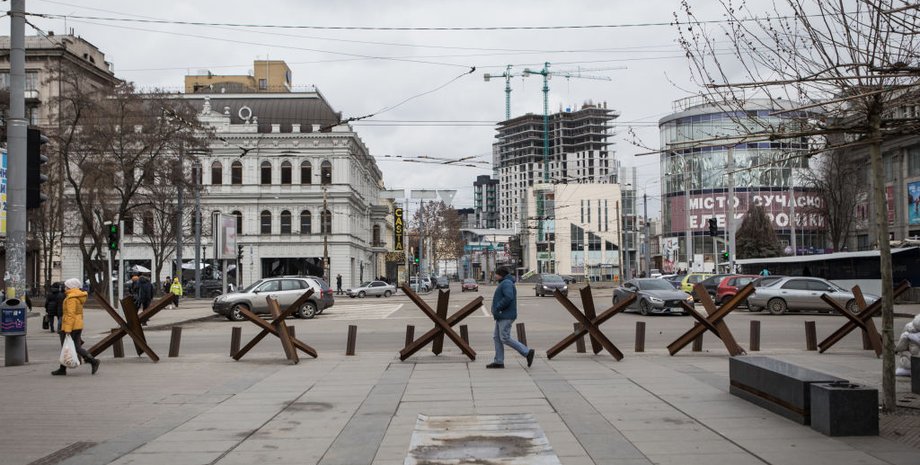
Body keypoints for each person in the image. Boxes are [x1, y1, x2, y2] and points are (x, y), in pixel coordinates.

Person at [487, 267, 535, 369]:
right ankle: (499, 361)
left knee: (504, 337)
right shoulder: (505, 282)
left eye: (496, 274)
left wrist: (498, 307)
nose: (495, 276)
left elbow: (509, 297)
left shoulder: (506, 283)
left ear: (500, 275)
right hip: (502, 315)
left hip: (505, 315)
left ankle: (527, 352)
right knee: (497, 337)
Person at [52, 278, 100, 376]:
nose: (65, 288)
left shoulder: (71, 298)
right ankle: (62, 368)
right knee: (71, 346)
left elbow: (70, 314)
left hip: (71, 326)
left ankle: (93, 361)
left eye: (66, 286)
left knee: (71, 346)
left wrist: (68, 329)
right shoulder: (77, 296)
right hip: (77, 325)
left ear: (70, 287)